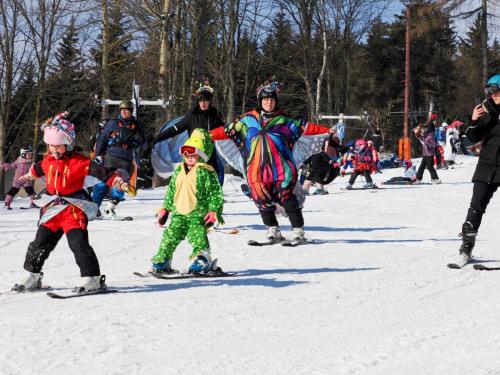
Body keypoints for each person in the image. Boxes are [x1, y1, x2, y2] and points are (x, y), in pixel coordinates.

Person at [11, 112, 131, 293]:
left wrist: (117, 182)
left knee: (78, 243)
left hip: (74, 208)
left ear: (68, 144)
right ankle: (32, 274)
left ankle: (92, 278)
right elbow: (38, 168)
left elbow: (103, 173)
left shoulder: (80, 162)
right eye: (51, 146)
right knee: (40, 242)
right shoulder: (48, 160)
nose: (53, 150)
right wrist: (28, 175)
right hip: (53, 207)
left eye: (58, 146)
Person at [210, 80, 333, 242]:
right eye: (266, 99)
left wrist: (327, 131)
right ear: (260, 102)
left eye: (272, 100)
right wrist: (206, 135)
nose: (269, 102)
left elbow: (307, 127)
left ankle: (298, 230)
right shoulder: (246, 120)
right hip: (256, 170)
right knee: (261, 198)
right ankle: (273, 229)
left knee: (287, 198)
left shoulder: (285, 121)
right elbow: (225, 130)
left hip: (282, 169)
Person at [151, 129, 224, 274]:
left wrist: (214, 210)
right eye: (185, 153)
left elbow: (215, 193)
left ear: (202, 155)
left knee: (197, 236)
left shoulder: (206, 171)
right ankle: (163, 259)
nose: (189, 157)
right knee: (170, 236)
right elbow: (172, 191)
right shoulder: (179, 170)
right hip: (179, 212)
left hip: (197, 214)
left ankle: (203, 259)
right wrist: (166, 208)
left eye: (193, 154)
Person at [455, 74, 500, 263]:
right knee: (476, 207)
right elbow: (472, 138)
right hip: (487, 166)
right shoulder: (486, 110)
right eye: (489, 92)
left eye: (495, 91)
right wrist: (473, 120)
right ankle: (466, 248)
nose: (492, 95)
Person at [153, 82, 226, 184]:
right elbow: (175, 129)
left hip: (210, 154)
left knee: (215, 176)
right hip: (194, 154)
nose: (203, 103)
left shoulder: (214, 117)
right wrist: (159, 137)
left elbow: (224, 131)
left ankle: (215, 198)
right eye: (200, 101)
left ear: (210, 102)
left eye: (205, 101)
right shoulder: (192, 116)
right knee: (194, 180)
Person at [92, 100, 146, 218]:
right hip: (111, 156)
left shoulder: (137, 125)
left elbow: (144, 142)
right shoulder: (113, 123)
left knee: (122, 184)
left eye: (126, 110)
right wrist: (98, 154)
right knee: (103, 182)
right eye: (122, 110)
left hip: (126, 159)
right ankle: (93, 208)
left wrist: (138, 143)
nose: (124, 112)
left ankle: (110, 208)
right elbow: (103, 138)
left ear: (131, 112)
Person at [413, 114, 441, 184]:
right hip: (425, 153)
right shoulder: (426, 134)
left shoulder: (431, 135)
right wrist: (417, 135)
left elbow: (433, 144)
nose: (424, 130)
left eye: (425, 129)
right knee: (422, 166)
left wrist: (427, 145)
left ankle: (435, 179)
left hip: (430, 153)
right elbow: (421, 138)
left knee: (430, 166)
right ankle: (418, 179)